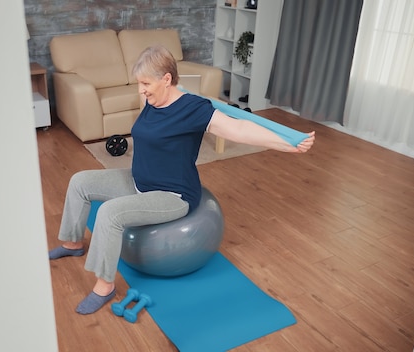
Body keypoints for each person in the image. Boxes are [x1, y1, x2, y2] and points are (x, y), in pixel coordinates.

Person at [48, 45, 315, 315]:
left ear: (166, 79)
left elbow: (239, 128)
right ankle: (72, 243)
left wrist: (286, 145)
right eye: (139, 83)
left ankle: (104, 287)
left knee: (109, 213)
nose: (140, 89)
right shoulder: (151, 101)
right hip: (139, 181)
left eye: (145, 83)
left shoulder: (195, 110)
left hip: (172, 195)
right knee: (80, 181)